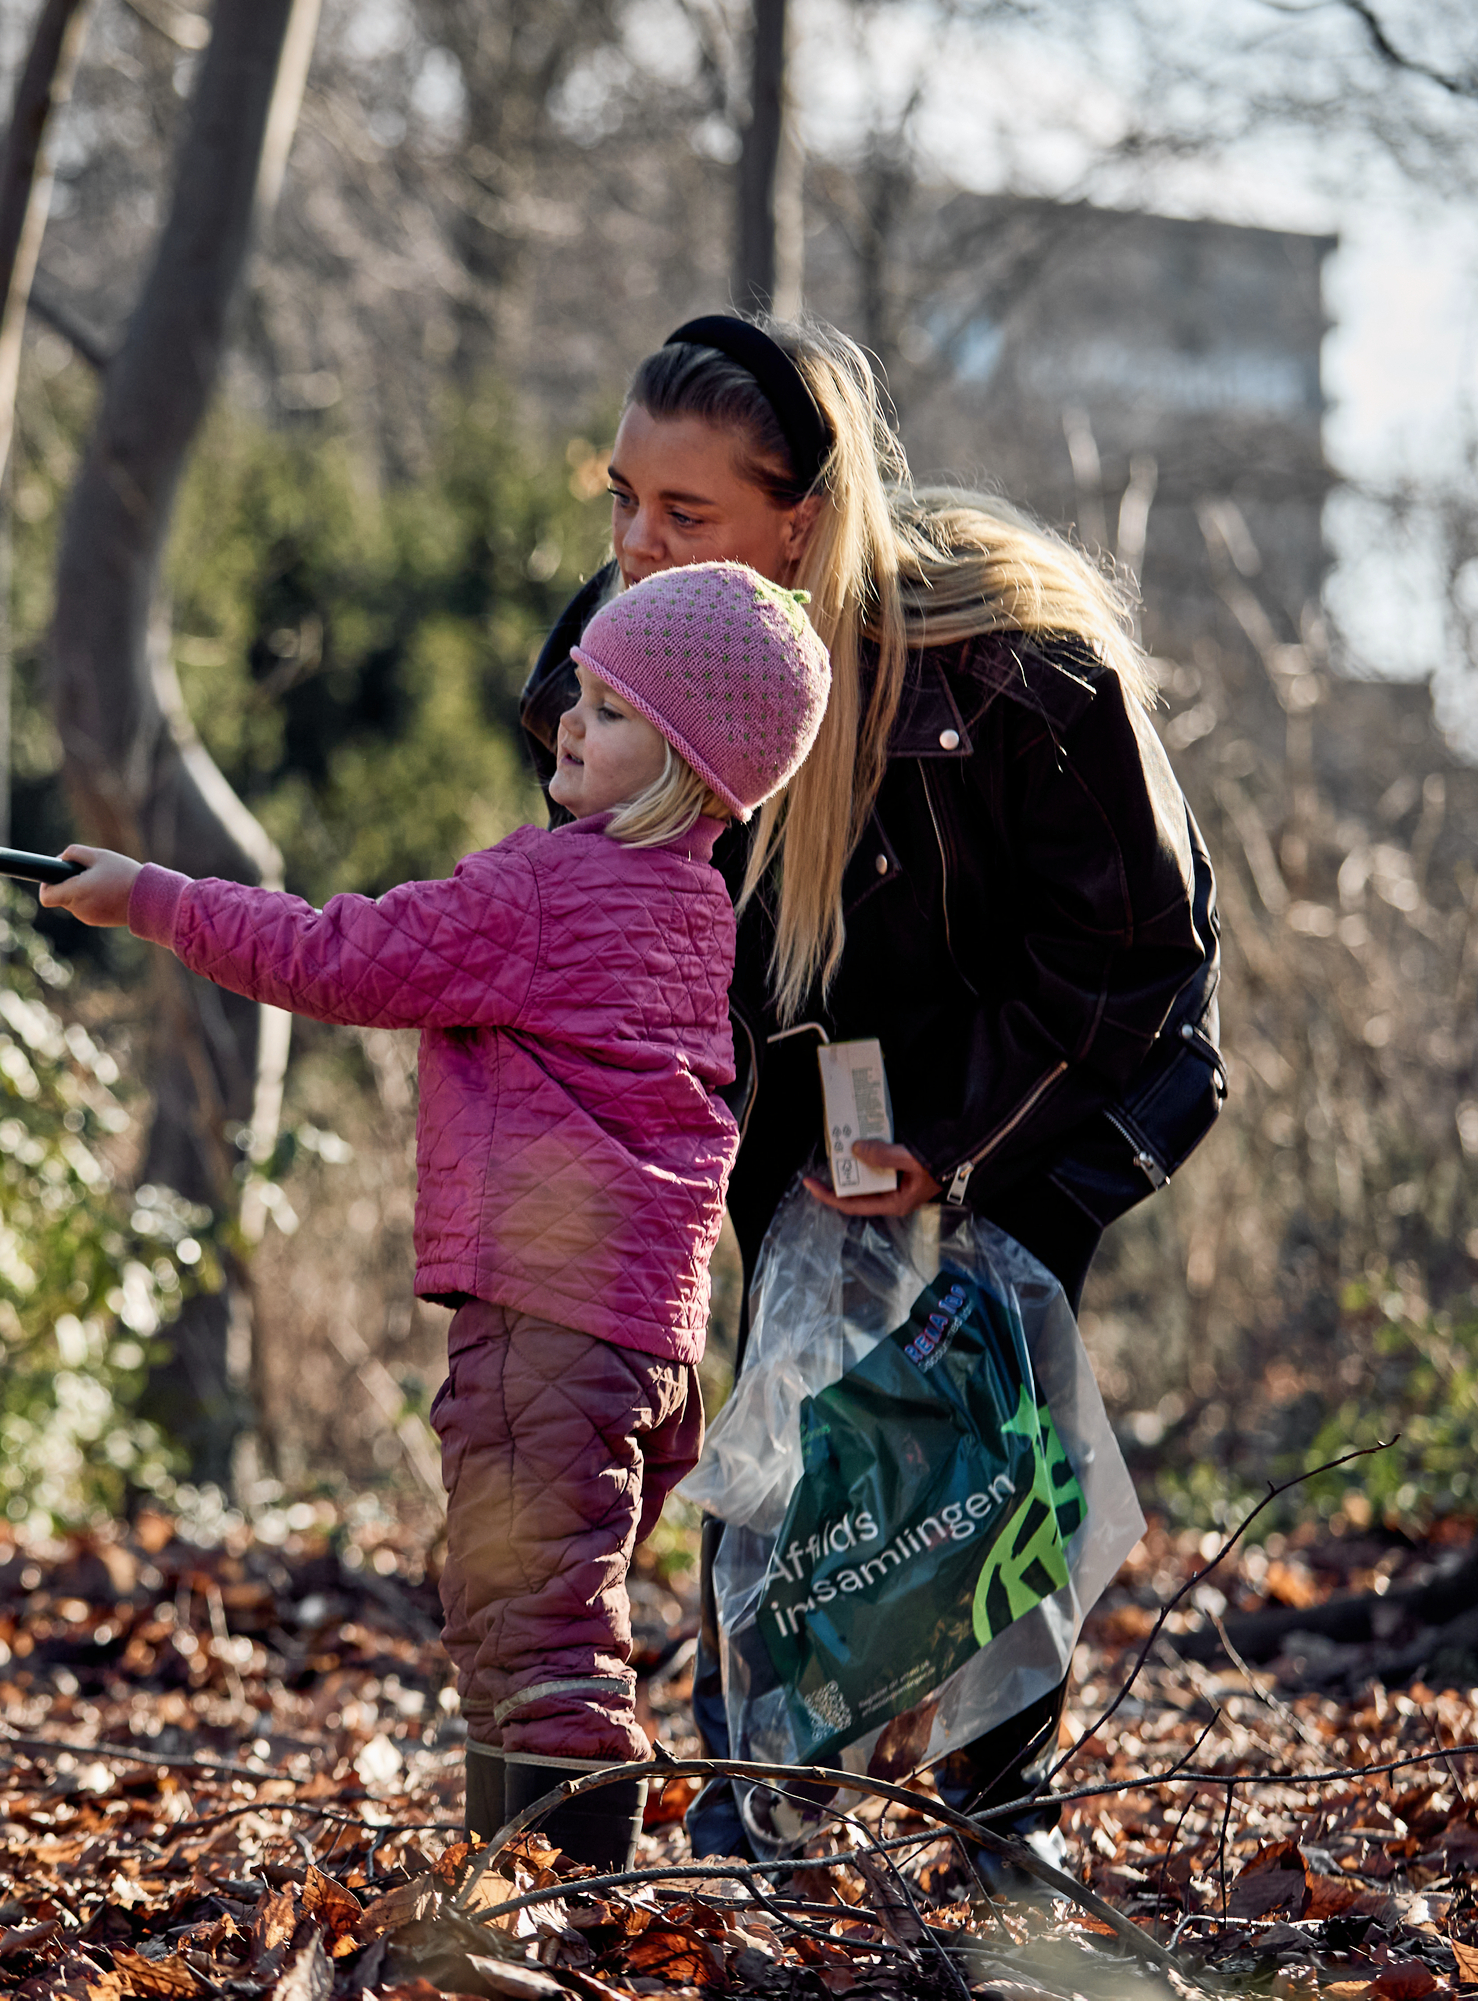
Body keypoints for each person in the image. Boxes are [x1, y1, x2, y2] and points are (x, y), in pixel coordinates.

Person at [516, 313, 1218, 1872]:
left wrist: (948, 1144)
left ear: (804, 522)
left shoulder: (1019, 681)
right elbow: (604, 920)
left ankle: (998, 1812)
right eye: (621, 497)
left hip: (1045, 1064)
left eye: (685, 515)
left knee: (978, 1389)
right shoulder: (607, 655)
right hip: (797, 1073)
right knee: (781, 1397)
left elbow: (1135, 956)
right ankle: (756, 1797)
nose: (637, 544)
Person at [44, 561, 832, 1868]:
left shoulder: (543, 892)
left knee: (531, 1624)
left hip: (549, 1322)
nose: (570, 723)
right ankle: (531, 1866)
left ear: (694, 767)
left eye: (614, 711)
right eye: (579, 692)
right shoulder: (699, 909)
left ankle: (560, 1881)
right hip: (649, 1340)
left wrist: (152, 898)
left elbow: (334, 953)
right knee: (534, 1601)